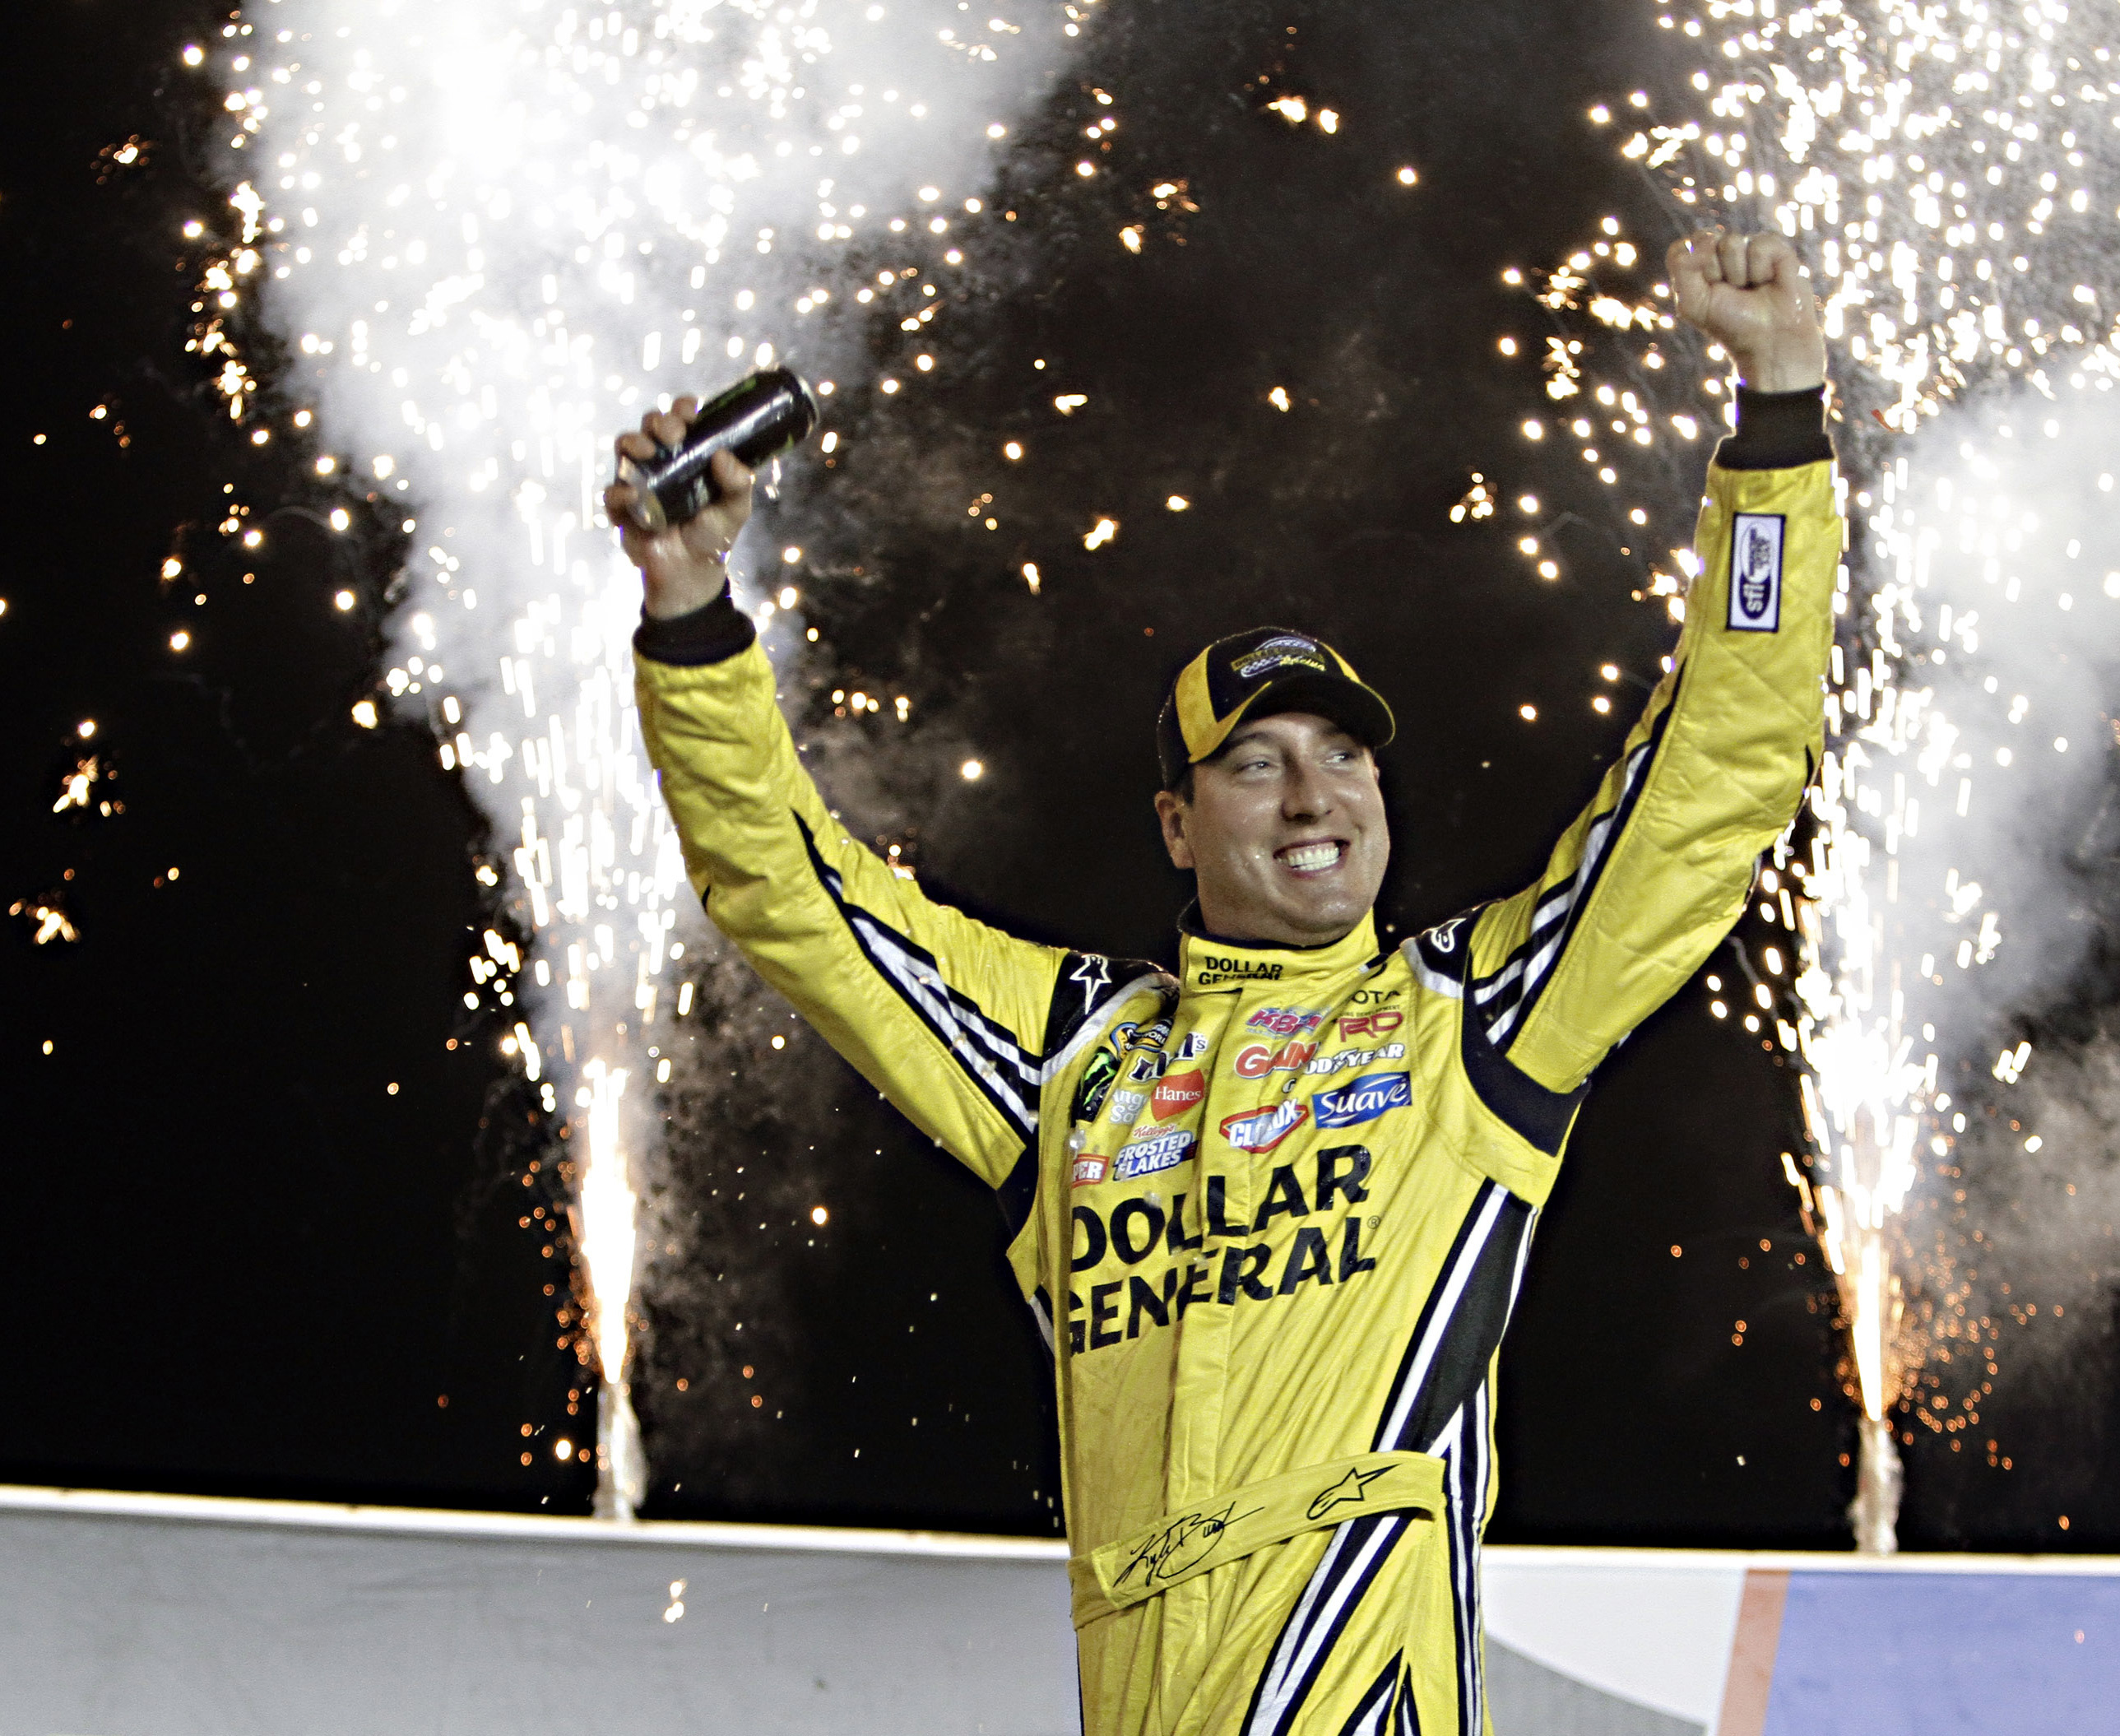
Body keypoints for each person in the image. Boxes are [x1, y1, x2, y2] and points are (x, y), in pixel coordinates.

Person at [610, 225, 1836, 1736]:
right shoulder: (1066, 1055)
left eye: (1342, 756)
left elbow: (1716, 776)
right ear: (1178, 827)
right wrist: (688, 610)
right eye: (1255, 763)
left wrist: (1778, 417)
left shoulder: (1475, 1018)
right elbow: (791, 893)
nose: (1314, 795)